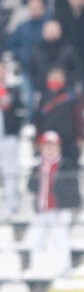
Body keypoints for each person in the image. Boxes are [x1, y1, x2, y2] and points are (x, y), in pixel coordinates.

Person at [27, 131, 80, 276]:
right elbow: (31, 186)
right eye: (46, 146)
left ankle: (66, 269)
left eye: (53, 146)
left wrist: (68, 205)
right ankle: (34, 268)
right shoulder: (37, 166)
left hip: (59, 209)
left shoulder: (65, 165)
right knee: (35, 240)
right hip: (42, 210)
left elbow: (72, 188)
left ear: (58, 148)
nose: (49, 150)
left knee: (60, 240)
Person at [33, 66, 84, 164]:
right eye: (53, 76)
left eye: (58, 76)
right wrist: (37, 138)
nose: (56, 79)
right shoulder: (42, 96)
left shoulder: (72, 95)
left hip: (68, 138)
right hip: (48, 139)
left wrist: (80, 137)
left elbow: (78, 118)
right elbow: (38, 120)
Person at [0, 62, 24, 216]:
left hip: (8, 137)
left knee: (10, 171)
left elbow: (20, 112)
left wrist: (15, 129)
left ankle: (11, 205)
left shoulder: (13, 90)